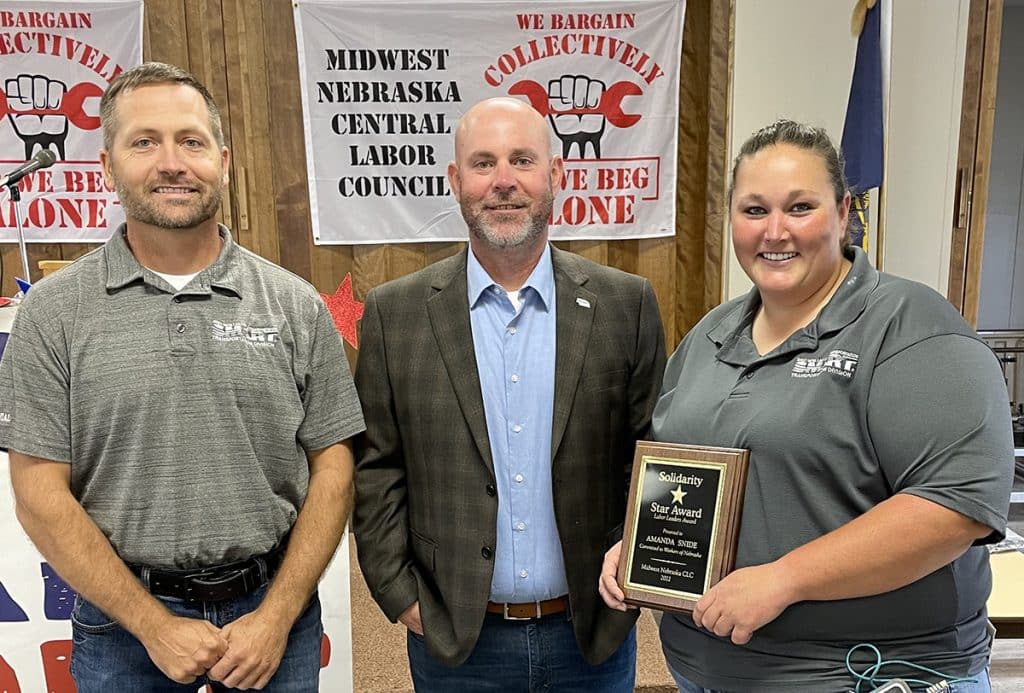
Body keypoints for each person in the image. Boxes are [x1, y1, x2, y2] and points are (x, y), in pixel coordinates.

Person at [599, 120, 1014, 692]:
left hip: (864, 674)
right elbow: (686, 481)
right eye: (753, 210)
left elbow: (954, 507)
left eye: (799, 207)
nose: (775, 231)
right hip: (707, 672)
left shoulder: (912, 330)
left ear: (844, 213)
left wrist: (785, 579)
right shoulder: (709, 336)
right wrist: (641, 546)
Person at [0, 62, 364, 692]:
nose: (172, 162)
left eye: (191, 142)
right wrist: (151, 624)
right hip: (122, 629)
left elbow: (333, 467)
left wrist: (275, 619)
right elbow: (37, 490)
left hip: (275, 617)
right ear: (109, 167)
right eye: (145, 142)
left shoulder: (294, 304)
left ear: (223, 162)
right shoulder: (54, 312)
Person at [353, 97, 666, 692]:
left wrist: (644, 559)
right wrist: (399, 595)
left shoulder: (625, 305)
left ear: (557, 174)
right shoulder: (396, 315)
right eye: (483, 163)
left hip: (591, 638)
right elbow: (376, 466)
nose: (503, 182)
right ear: (455, 181)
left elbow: (650, 452)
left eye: (522, 160)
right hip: (456, 644)